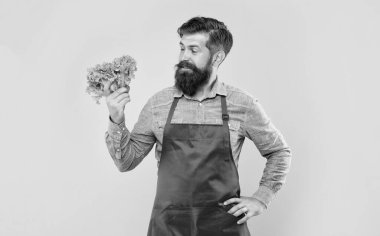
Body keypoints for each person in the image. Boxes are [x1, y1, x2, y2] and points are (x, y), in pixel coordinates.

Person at [104, 16, 291, 236]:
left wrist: (262, 198)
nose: (184, 57)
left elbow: (279, 151)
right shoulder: (159, 104)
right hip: (168, 227)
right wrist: (116, 119)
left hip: (224, 227)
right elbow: (126, 162)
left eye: (194, 50)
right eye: (182, 48)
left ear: (217, 57)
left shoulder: (241, 104)